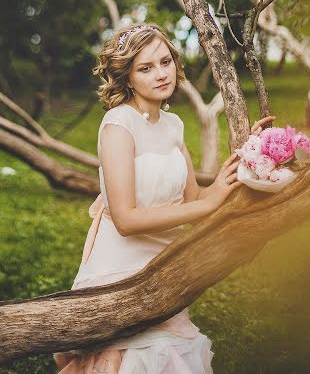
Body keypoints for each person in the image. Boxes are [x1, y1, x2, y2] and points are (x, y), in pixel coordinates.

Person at [54, 22, 272, 373]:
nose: (161, 74)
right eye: (146, 67)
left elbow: (193, 200)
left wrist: (254, 153)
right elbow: (125, 219)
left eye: (165, 61)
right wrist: (205, 204)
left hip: (166, 265)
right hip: (121, 267)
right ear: (126, 77)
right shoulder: (117, 125)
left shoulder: (173, 125)